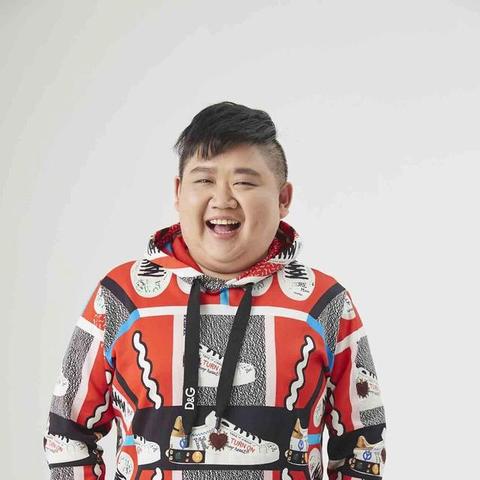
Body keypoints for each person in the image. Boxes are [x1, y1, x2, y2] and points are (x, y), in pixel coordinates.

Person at [43, 101, 387, 480]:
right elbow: (68, 431)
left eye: (244, 182)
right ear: (178, 193)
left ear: (283, 198)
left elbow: (364, 442)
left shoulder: (324, 303)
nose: (222, 199)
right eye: (205, 180)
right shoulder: (121, 297)